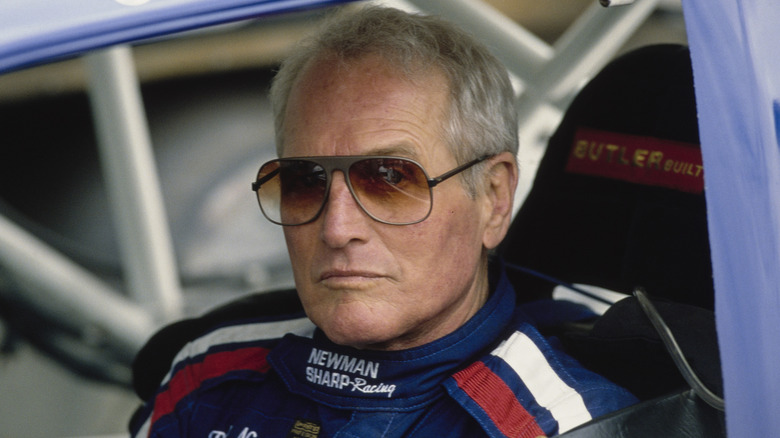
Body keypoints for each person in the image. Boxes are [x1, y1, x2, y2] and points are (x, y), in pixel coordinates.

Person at [130, 5, 637, 437]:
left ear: (494, 197)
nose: (336, 228)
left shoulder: (565, 425)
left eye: (390, 178)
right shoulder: (207, 375)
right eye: (304, 179)